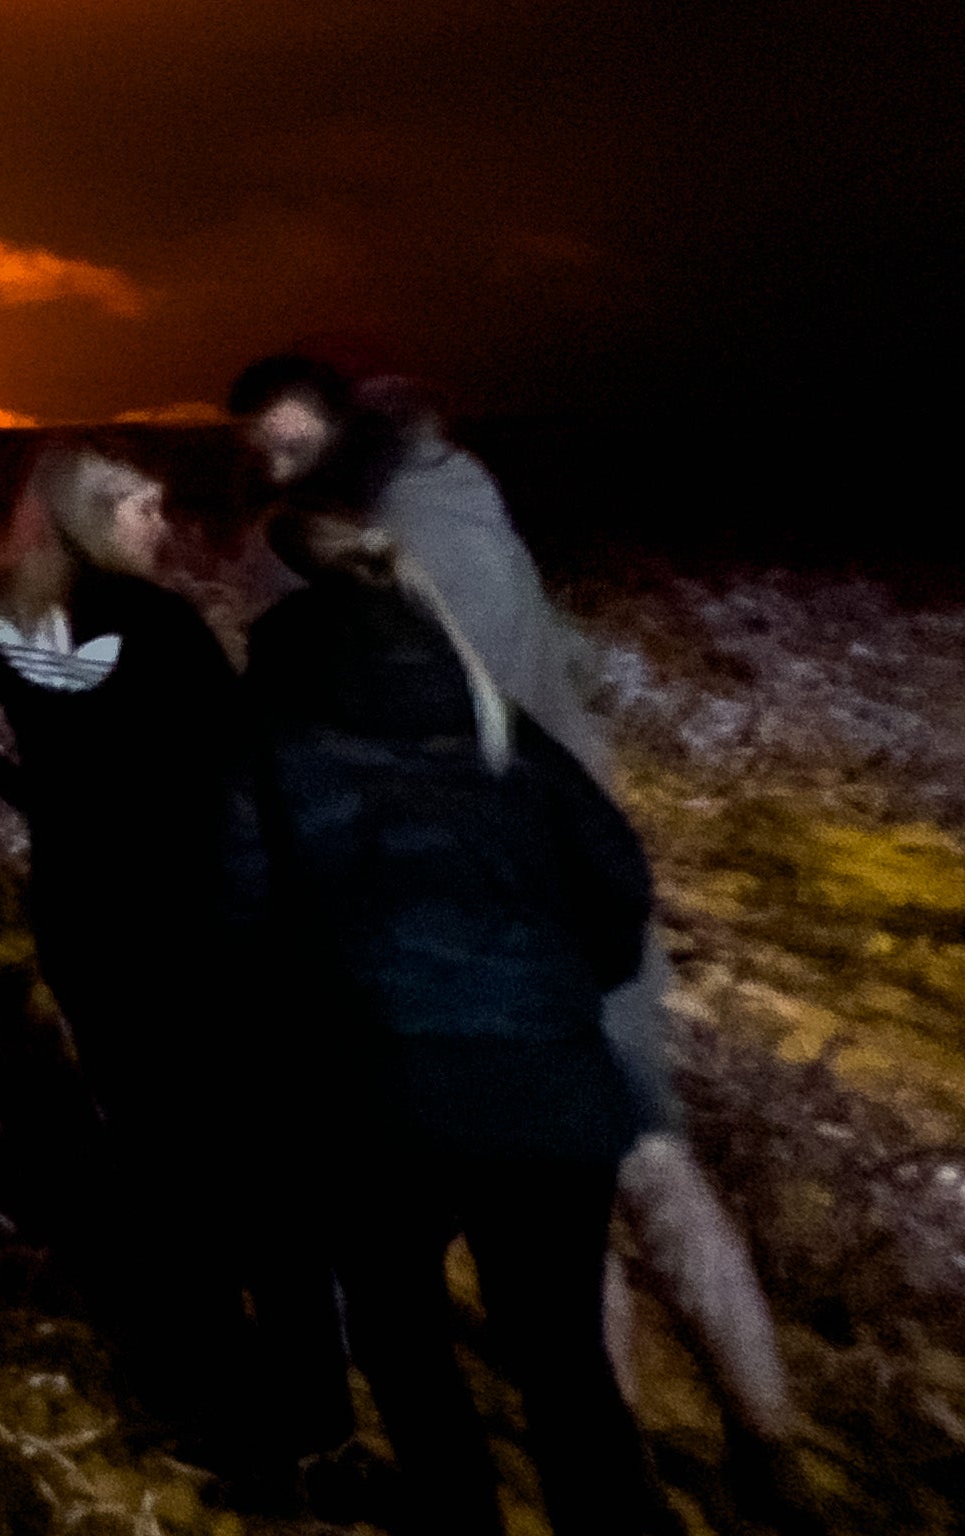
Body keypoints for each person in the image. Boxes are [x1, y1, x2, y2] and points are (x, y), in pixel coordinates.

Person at [229, 353, 795, 1482]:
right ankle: (764, 1442)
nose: (277, 469)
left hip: (472, 939)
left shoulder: (345, 589)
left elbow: (308, 786)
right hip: (567, 894)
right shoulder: (464, 496)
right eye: (262, 454)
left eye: (292, 444)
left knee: (574, 1217)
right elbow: (569, 671)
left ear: (340, 432)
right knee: (643, 1154)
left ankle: (620, 1452)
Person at [0, 443, 350, 1496]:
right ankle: (309, 1411)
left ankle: (205, 1387)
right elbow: (246, 765)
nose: (165, 531)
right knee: (254, 1159)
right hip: (194, 908)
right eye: (147, 512)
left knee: (153, 1143)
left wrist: (24, 790)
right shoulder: (163, 624)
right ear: (96, 517)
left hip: (81, 904)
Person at [244, 475, 678, 1536]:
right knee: (565, 1358)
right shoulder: (497, 723)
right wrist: (562, 994)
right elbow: (617, 877)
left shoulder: (276, 743)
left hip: (383, 1092)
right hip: (552, 1084)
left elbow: (237, 914)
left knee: (401, 1336)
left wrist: (294, 1035)